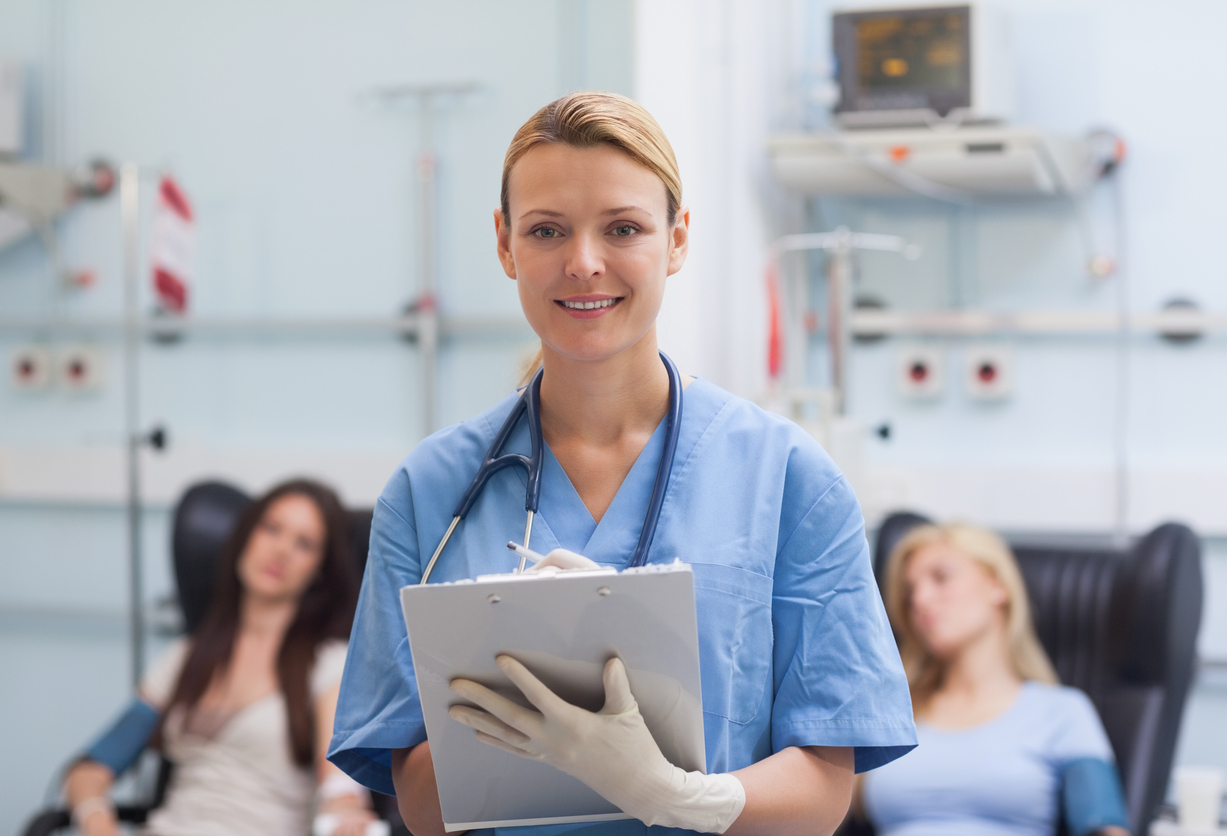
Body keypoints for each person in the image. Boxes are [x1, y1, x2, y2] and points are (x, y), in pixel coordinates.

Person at [328, 91, 917, 836]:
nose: (583, 263)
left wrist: (674, 795)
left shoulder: (788, 479)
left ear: (676, 240)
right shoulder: (430, 490)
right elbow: (413, 799)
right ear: (506, 244)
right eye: (546, 230)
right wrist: (524, 719)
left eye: (624, 228)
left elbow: (826, 790)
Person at [63, 479, 381, 836]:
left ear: (319, 569)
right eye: (272, 529)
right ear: (246, 536)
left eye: (304, 543)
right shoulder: (186, 658)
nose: (281, 551)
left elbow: (340, 790)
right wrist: (98, 821)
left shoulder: (328, 667)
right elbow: (90, 768)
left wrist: (345, 816)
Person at [857, 522, 1131, 836]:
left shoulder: (1062, 712)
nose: (920, 600)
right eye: (910, 593)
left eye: (941, 578)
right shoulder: (891, 714)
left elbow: (1105, 827)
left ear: (997, 586)